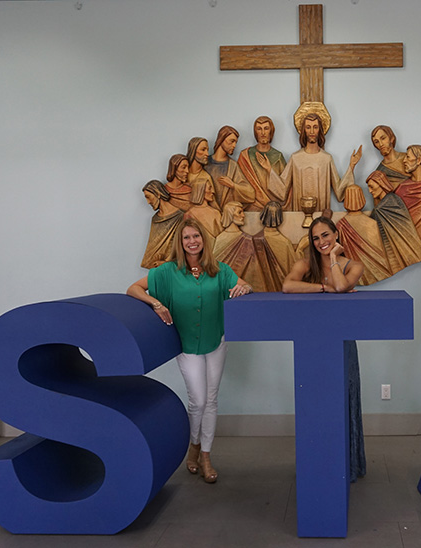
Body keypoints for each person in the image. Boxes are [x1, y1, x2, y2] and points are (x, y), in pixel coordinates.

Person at [127, 218, 252, 483]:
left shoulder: (218, 269)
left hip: (215, 341)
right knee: (198, 400)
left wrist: (245, 287)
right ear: (180, 242)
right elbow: (133, 289)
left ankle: (204, 454)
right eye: (187, 238)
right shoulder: (167, 271)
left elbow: (244, 285)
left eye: (196, 236)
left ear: (203, 240)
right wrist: (156, 304)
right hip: (186, 345)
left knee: (212, 398)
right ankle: (194, 446)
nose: (192, 241)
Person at [282, 217, 366, 482]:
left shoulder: (354, 265)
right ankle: (320, 464)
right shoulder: (306, 264)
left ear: (336, 234)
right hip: (314, 342)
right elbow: (288, 285)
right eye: (316, 238)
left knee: (344, 395)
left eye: (326, 236)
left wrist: (332, 258)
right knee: (318, 399)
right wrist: (321, 287)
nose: (321, 242)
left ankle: (348, 466)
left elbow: (342, 287)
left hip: (343, 342)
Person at [267, 103, 362, 211]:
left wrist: (352, 166)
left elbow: (339, 191)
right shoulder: (295, 158)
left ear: (320, 129)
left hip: (321, 217)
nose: (312, 131)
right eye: (308, 127)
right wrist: (269, 169)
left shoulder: (326, 158)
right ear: (303, 130)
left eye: (315, 127)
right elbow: (283, 188)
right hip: (300, 214)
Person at [366, 170, 421, 274]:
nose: (370, 191)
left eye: (372, 186)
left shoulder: (382, 207)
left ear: (381, 184)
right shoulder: (394, 198)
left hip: (399, 251)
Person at [336, 185, 391, 285]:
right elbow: (381, 251)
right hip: (379, 269)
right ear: (362, 199)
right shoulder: (373, 223)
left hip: (354, 272)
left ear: (346, 200)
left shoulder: (341, 225)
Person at [237, 116, 287, 211]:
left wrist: (269, 169)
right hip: (252, 206)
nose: (263, 133)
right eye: (259, 129)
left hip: (273, 208)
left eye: (266, 128)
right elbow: (240, 182)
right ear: (255, 132)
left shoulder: (278, 156)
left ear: (271, 131)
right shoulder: (245, 155)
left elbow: (284, 189)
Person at [204, 125, 256, 211]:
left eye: (236, 142)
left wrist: (233, 185)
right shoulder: (206, 163)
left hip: (226, 214)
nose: (234, 145)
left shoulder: (233, 166)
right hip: (207, 212)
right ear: (221, 139)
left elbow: (250, 194)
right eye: (232, 141)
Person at [140, 180, 184, 269]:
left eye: (148, 197)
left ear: (158, 193)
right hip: (156, 266)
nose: (148, 202)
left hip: (174, 267)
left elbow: (182, 246)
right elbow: (152, 247)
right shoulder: (155, 219)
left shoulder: (180, 216)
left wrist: (167, 262)